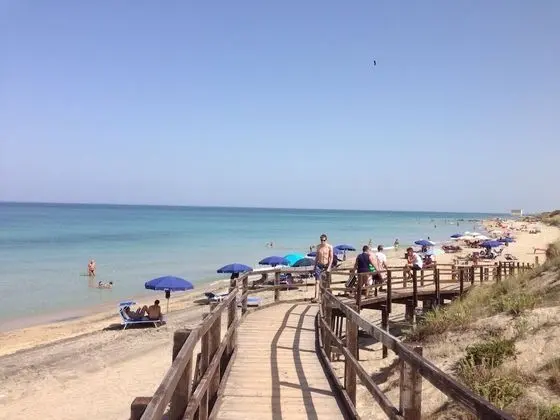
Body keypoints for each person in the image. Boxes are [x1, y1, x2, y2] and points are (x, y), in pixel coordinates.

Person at [313, 234, 333, 298]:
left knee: (326, 282)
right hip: (319, 265)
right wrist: (314, 266)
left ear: (326, 240)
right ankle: (316, 297)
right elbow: (316, 257)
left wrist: (329, 267)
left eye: (324, 240)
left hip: (326, 265)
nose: (322, 242)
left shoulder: (329, 247)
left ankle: (325, 296)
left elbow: (331, 258)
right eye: (321, 240)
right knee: (317, 281)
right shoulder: (318, 247)